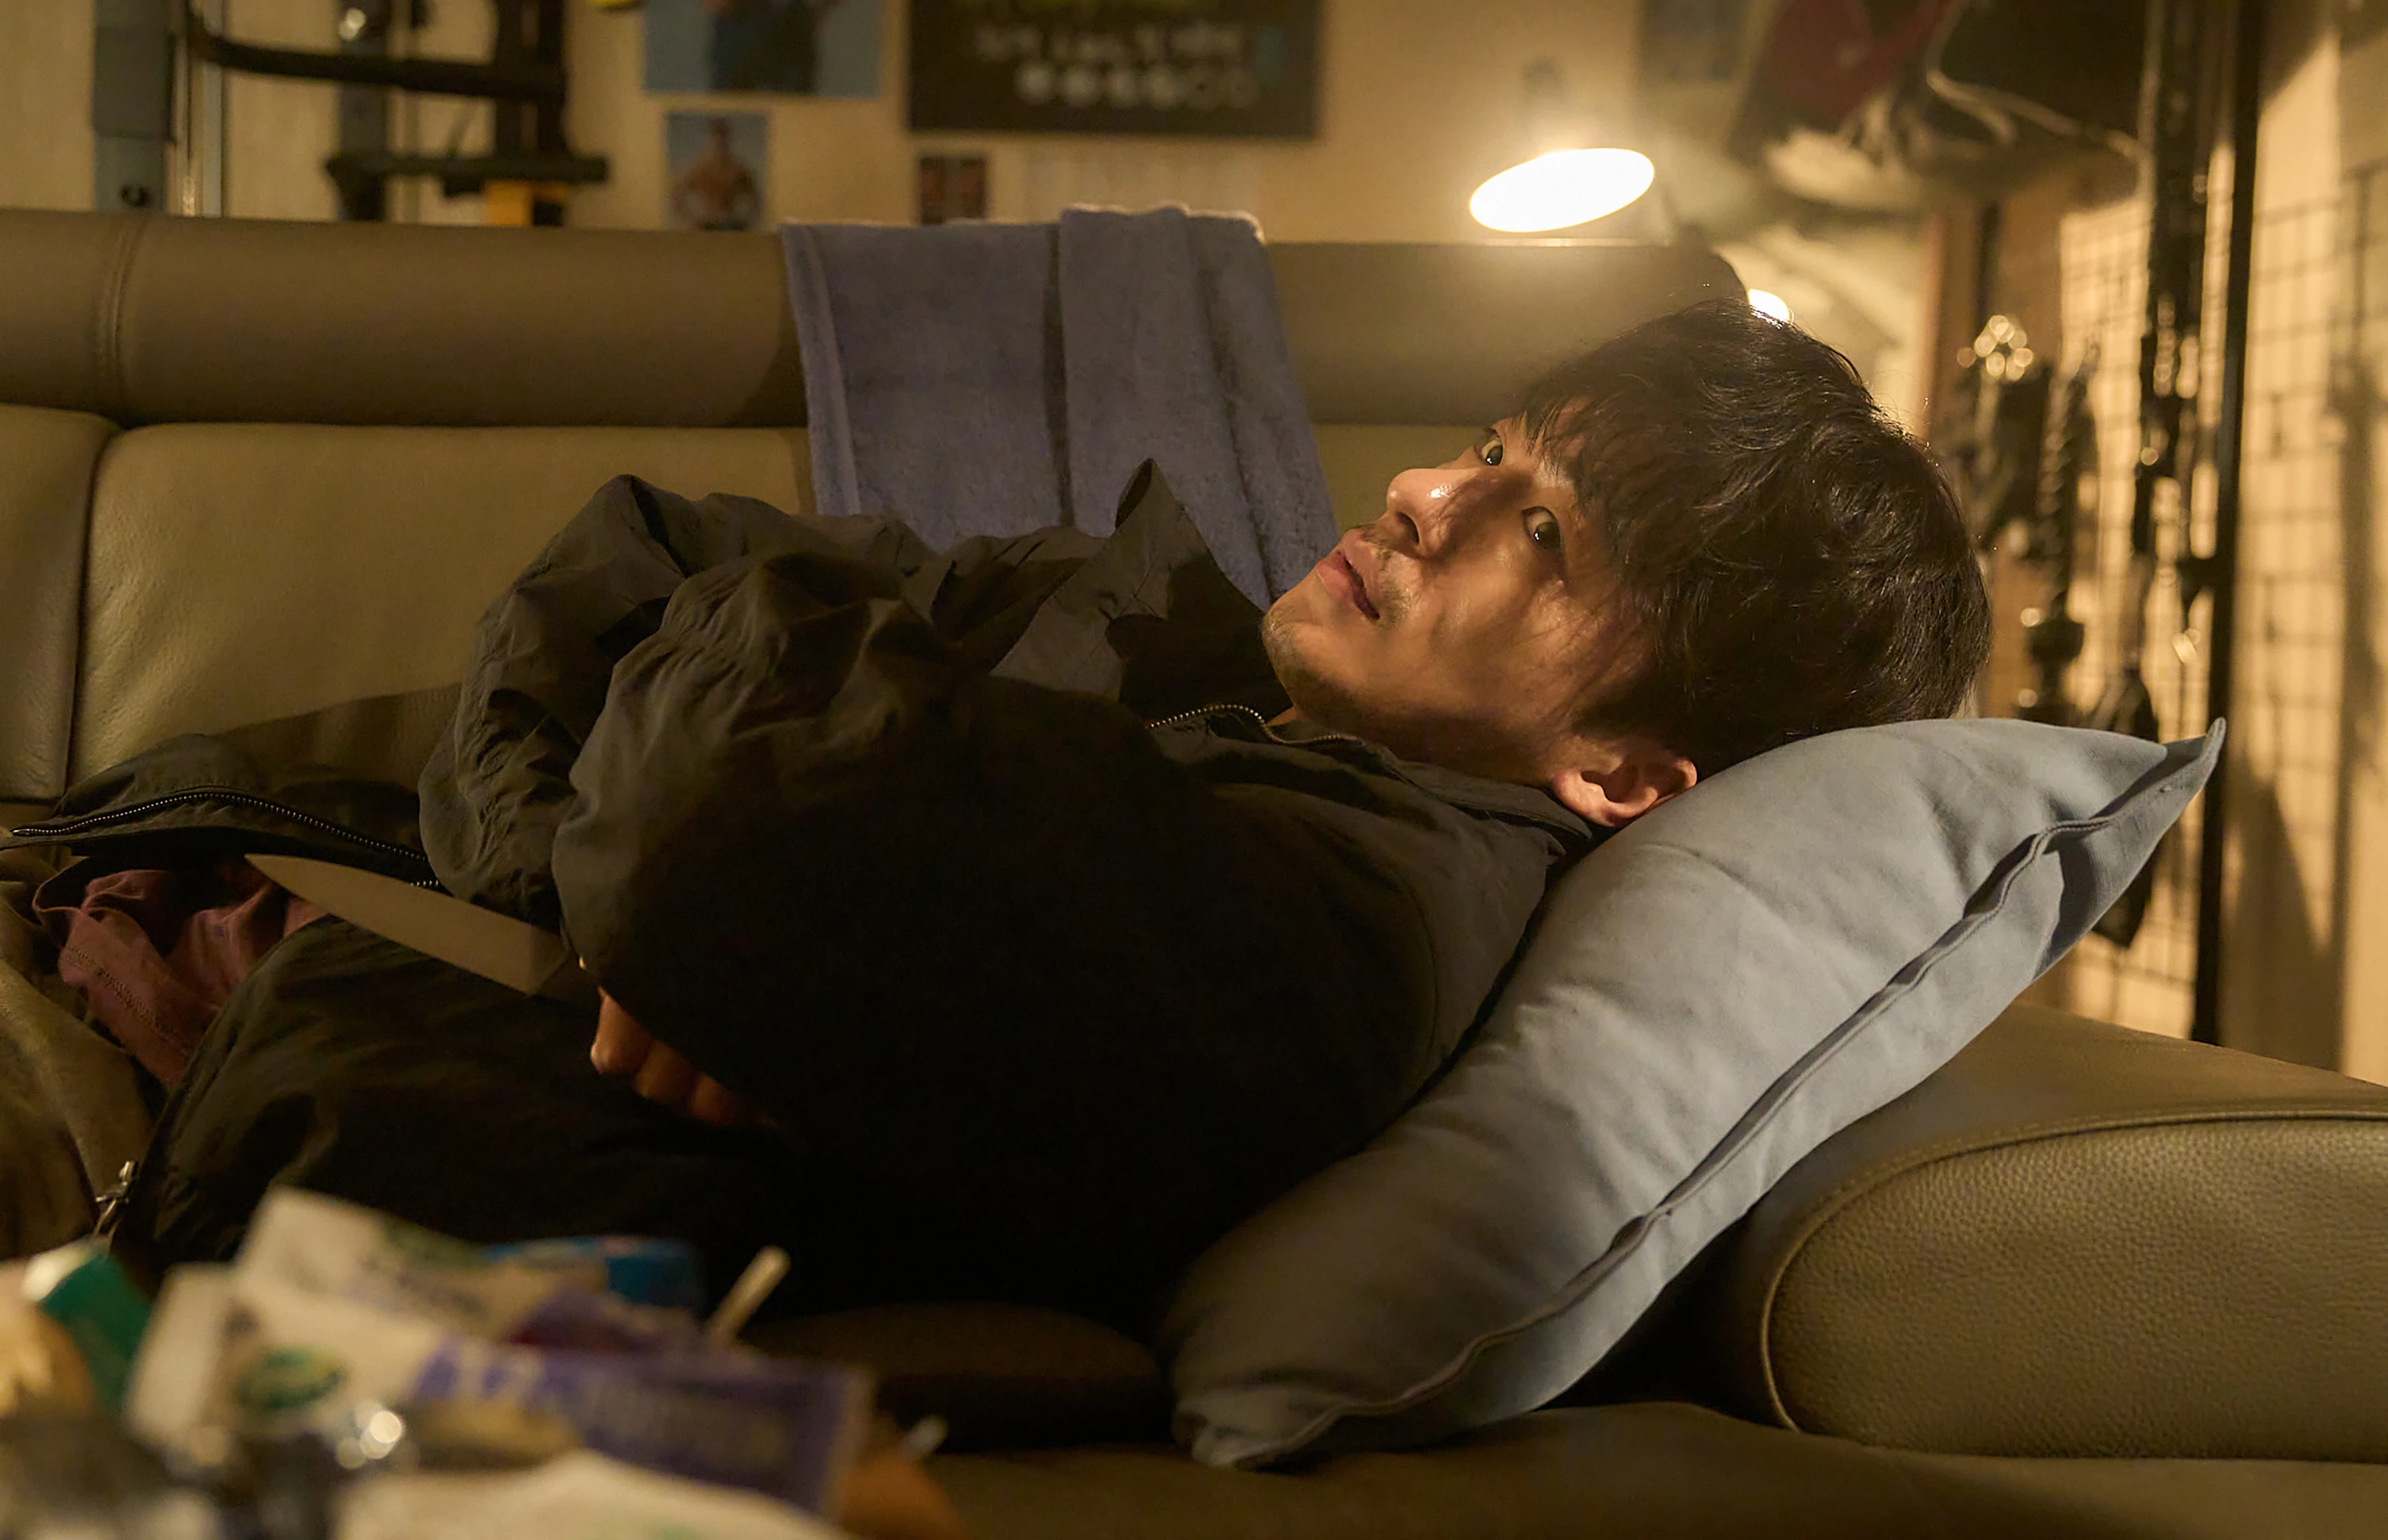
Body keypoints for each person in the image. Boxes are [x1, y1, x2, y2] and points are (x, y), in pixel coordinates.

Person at [76, 302, 1985, 1325]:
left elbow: (720, 801)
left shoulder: (1351, 917)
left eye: (1543, 533)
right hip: (204, 925)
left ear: (1627, 775)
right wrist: (569, 893)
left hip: (213, 1183)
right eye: (1492, 447)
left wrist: (652, 863)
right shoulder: (1167, 628)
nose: (1425, 494)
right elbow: (644, 558)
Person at [652, 0, 868, 95]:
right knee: (729, 112)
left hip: (786, 12)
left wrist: (824, 5)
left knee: (795, 120)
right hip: (740, 11)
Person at [671, 117, 763, 231]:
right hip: (705, 224)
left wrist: (744, 224)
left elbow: (756, 202)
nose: (719, 144)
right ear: (709, 140)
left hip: (730, 225)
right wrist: (693, 221)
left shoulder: (738, 170)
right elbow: (676, 198)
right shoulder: (698, 170)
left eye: (722, 139)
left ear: (728, 140)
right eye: (715, 139)